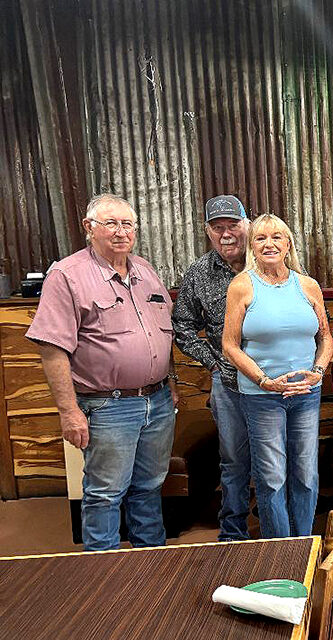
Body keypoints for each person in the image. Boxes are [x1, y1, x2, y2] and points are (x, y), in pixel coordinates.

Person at [27, 193, 178, 551]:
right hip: (108, 406)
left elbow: (161, 332)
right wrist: (69, 411)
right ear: (88, 228)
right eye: (111, 223)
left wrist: (169, 381)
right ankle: (102, 576)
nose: (121, 232)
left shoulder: (145, 270)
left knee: (149, 488)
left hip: (156, 402)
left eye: (128, 224)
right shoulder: (67, 275)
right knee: (105, 494)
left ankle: (150, 562)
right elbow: (52, 349)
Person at [222, 213, 333, 538]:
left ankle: (304, 545)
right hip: (262, 397)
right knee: (271, 478)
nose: (269, 244)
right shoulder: (242, 285)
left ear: (288, 245)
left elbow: (325, 337)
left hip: (305, 395)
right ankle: (281, 552)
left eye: (277, 237)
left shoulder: (307, 285)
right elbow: (230, 345)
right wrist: (262, 380)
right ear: (252, 247)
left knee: (305, 474)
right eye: (260, 238)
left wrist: (317, 372)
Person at [172, 195, 252, 541]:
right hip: (230, 383)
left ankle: (278, 530)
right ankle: (233, 532)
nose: (226, 234)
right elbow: (183, 327)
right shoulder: (199, 273)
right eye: (217, 227)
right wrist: (214, 361)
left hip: (276, 384)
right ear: (207, 232)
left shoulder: (270, 260)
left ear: (246, 225)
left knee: (275, 461)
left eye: (233, 225)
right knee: (233, 461)